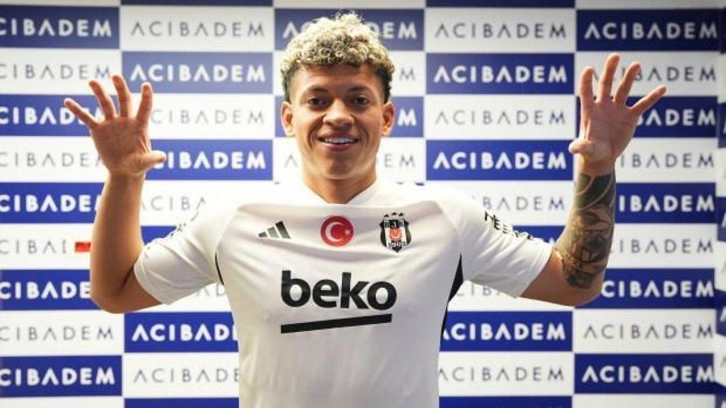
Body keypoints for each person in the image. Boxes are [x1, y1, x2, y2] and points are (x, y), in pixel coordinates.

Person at [63, 12, 666, 408]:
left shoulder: (445, 215)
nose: (338, 116)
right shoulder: (233, 216)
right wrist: (123, 178)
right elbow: (115, 291)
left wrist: (598, 167)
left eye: (358, 99)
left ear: (387, 116)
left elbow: (575, 283)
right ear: (289, 118)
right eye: (317, 100)